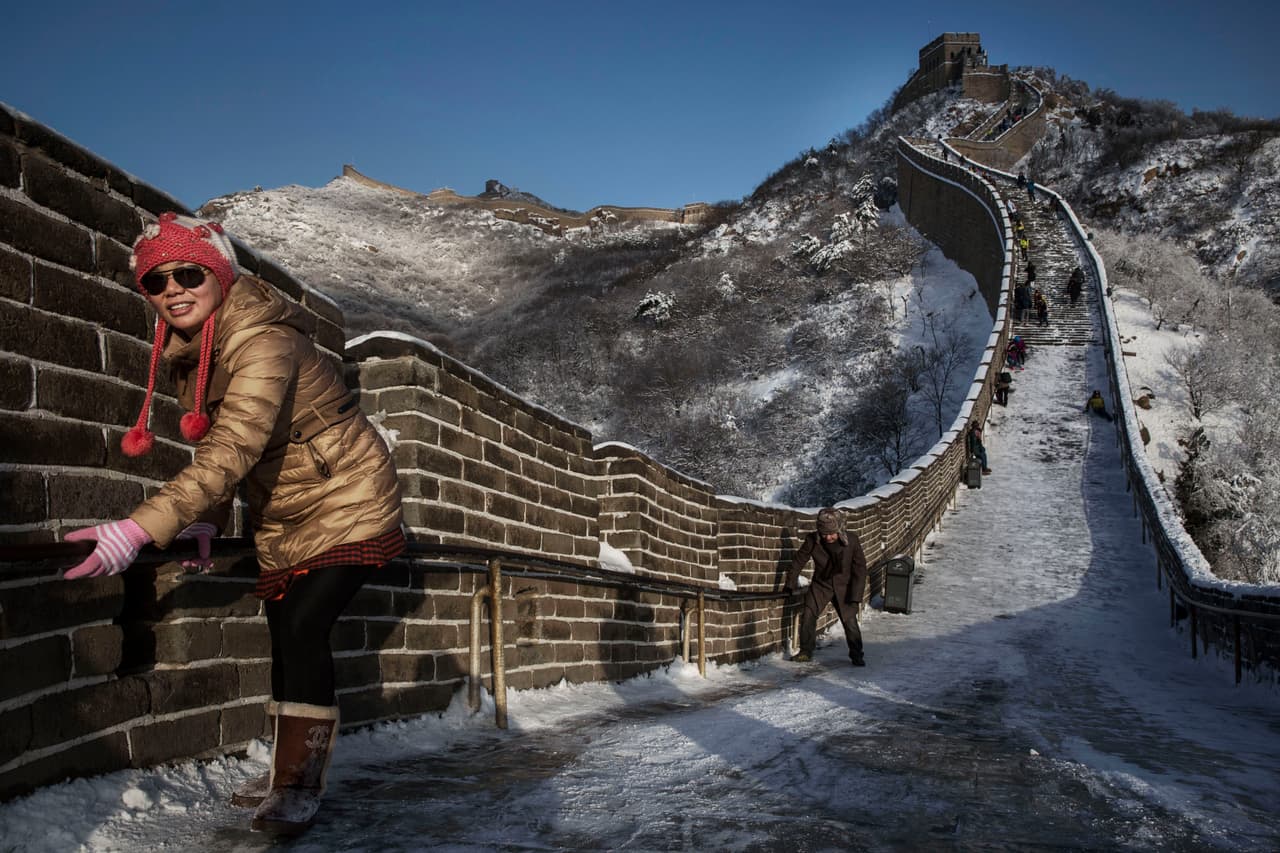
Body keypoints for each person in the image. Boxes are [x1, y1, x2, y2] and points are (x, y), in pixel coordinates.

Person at [61, 213, 405, 837]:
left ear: (220, 276)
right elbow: (225, 450)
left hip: (351, 492)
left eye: (188, 273)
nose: (173, 290)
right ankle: (286, 776)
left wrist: (139, 529)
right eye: (156, 282)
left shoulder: (264, 341)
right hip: (284, 507)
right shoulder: (195, 352)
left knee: (303, 625)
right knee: (282, 627)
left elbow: (231, 450)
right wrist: (208, 525)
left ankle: (299, 786)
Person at [785, 508, 868, 667]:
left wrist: (856, 596)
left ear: (839, 529)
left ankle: (857, 654)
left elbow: (860, 569)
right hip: (821, 584)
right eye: (824, 534)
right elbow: (798, 561)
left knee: (849, 621)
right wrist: (790, 584)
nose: (828, 537)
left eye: (832, 533)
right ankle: (805, 652)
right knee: (808, 614)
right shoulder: (813, 540)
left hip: (845, 586)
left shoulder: (852, 541)